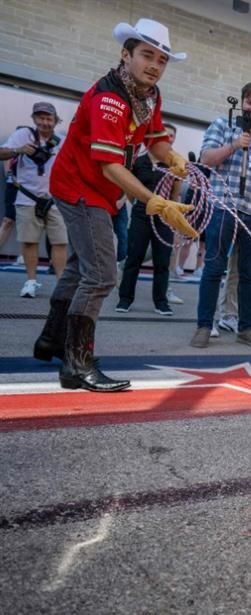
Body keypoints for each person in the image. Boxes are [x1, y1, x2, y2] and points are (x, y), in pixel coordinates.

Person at [32, 18, 195, 391]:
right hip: (80, 187)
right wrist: (154, 200)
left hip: (98, 192)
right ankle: (77, 365)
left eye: (162, 60)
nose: (154, 65)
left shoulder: (148, 95)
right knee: (102, 274)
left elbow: (154, 142)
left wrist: (173, 159)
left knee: (79, 268)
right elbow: (109, 166)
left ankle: (51, 341)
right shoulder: (111, 99)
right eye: (146, 55)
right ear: (126, 54)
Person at [191, 81, 251, 349]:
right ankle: (204, 326)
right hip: (223, 207)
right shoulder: (223, 125)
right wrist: (234, 144)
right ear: (243, 103)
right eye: (250, 103)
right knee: (213, 268)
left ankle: (245, 327)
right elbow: (206, 159)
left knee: (249, 274)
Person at [0, 102, 66, 297]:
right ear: (34, 119)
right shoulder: (23, 135)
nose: (44, 122)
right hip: (26, 196)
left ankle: (61, 285)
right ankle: (30, 281)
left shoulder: (61, 141)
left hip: (54, 198)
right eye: (41, 118)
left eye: (48, 118)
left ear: (55, 120)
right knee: (29, 241)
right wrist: (18, 150)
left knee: (60, 241)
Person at [115, 122, 182, 316]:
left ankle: (161, 302)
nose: (169, 139)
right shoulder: (138, 161)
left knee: (162, 261)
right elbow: (130, 192)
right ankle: (125, 299)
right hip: (141, 214)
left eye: (172, 136)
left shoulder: (173, 164)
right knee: (134, 258)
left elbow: (175, 195)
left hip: (164, 216)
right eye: (166, 135)